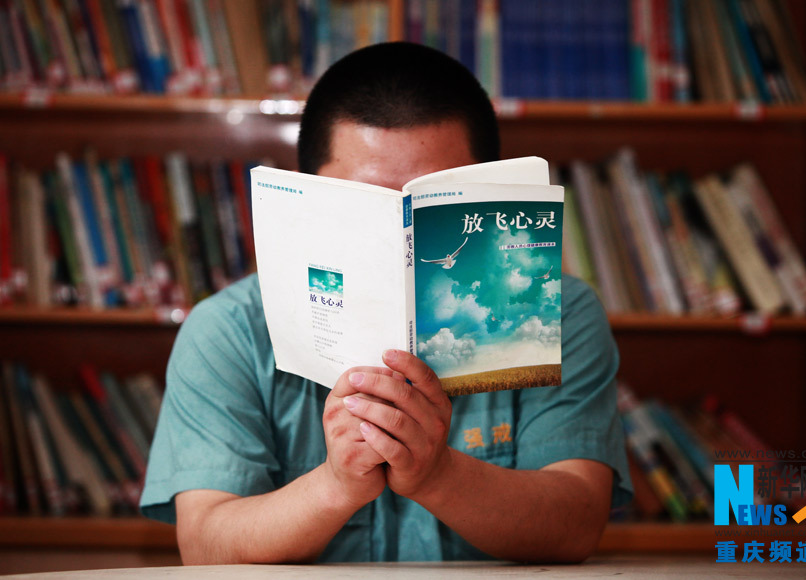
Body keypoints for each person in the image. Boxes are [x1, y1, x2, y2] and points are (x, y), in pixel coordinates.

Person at [140, 42, 632, 564]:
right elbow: (204, 544)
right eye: (366, 208)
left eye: (430, 208)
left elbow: (576, 522)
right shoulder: (227, 331)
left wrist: (438, 476)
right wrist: (335, 486)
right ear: (309, 195)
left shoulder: (556, 313)